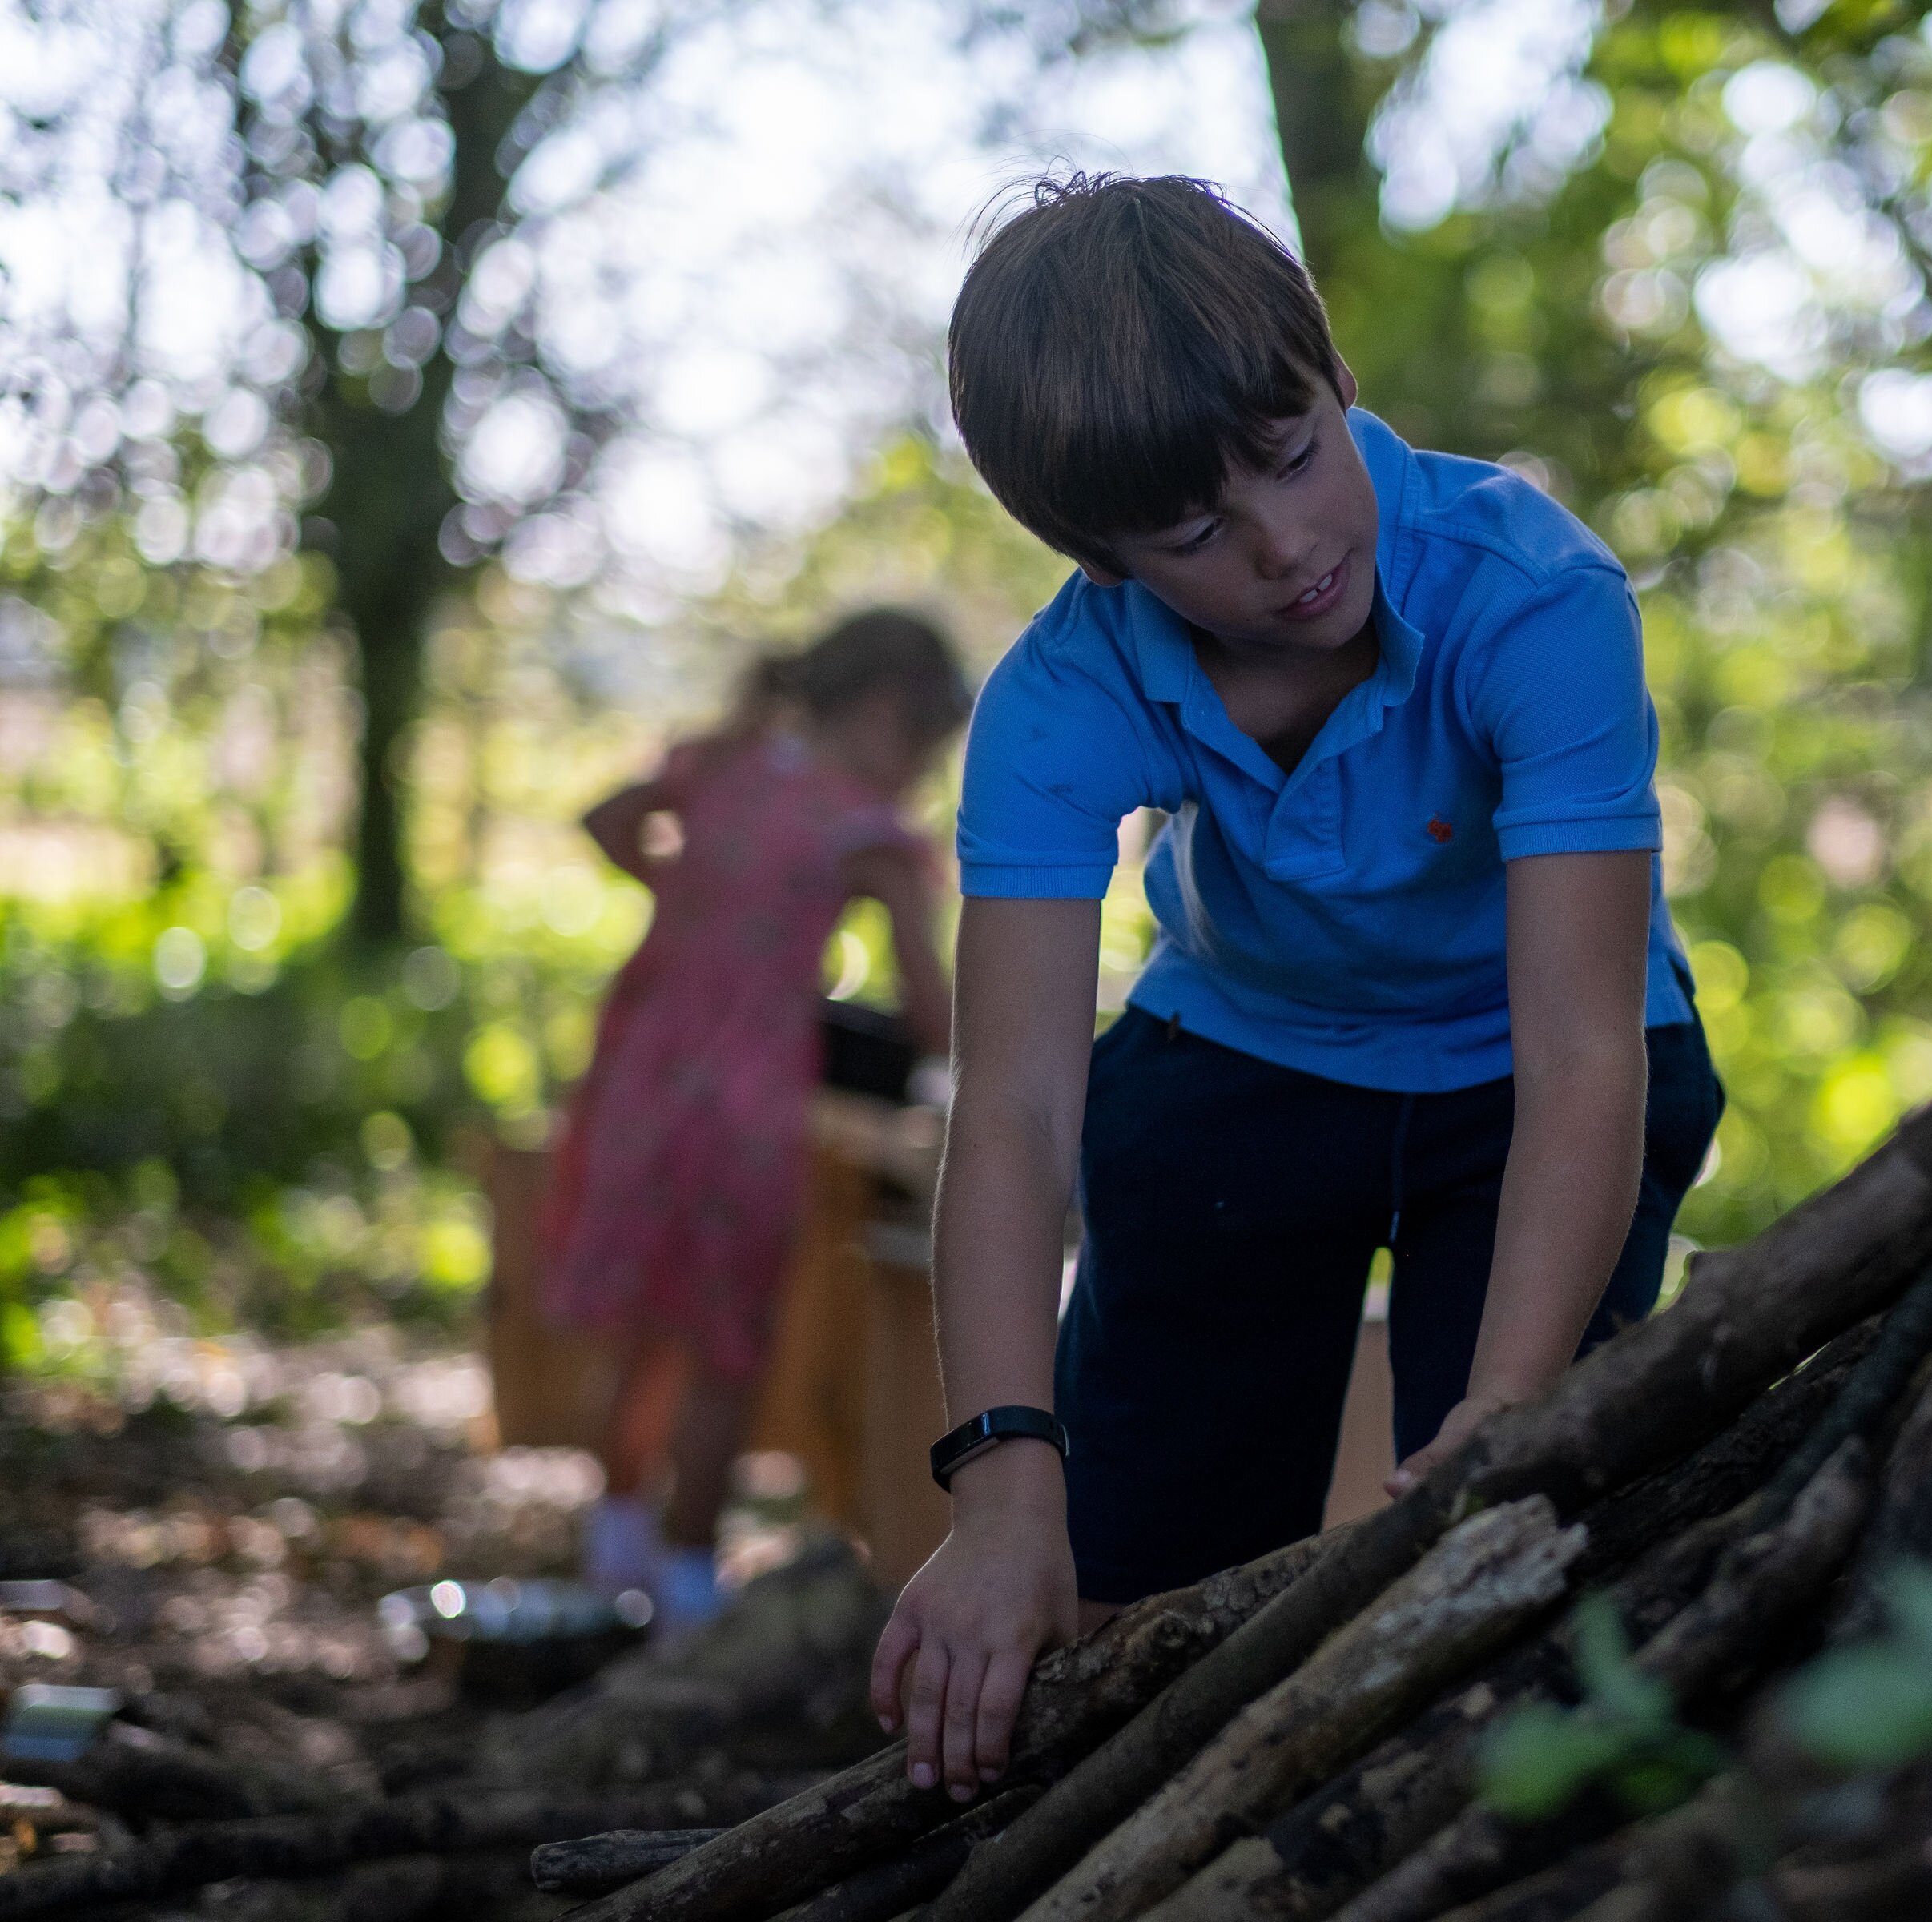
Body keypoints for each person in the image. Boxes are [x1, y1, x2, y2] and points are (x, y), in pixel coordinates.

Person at [867, 174, 1723, 1793]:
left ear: (1333, 380)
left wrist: (1511, 1409)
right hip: (1246, 1053)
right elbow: (1023, 1107)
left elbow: (1581, 1051)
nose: (1287, 546)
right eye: (1195, 535)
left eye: (1291, 458)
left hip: (1542, 1063)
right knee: (1128, 1568)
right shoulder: (1062, 693)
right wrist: (999, 1489)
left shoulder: (1529, 596)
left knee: (1513, 1547)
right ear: (1100, 560)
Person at [545, 609, 969, 1630]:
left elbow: (603, 820)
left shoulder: (724, 766)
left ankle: (617, 1548)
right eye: (925, 748)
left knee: (648, 1320)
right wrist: (972, 1079)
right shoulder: (865, 834)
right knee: (721, 1343)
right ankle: (691, 1584)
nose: (920, 775)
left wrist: (692, 899)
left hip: (639, 1076)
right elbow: (928, 1003)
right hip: (745, 1100)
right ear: (882, 714)